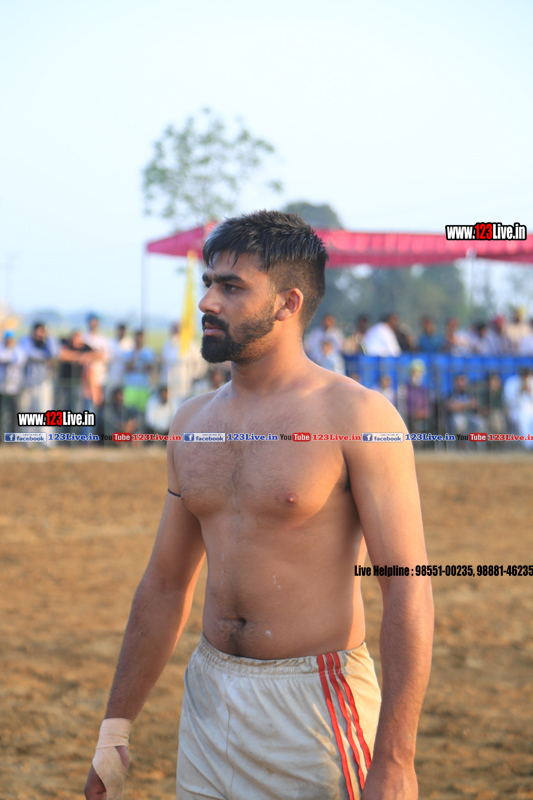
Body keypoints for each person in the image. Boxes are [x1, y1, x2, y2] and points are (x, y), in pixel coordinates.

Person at [85, 211, 433, 800]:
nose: (207, 302)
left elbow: (407, 589)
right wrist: (114, 728)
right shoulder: (191, 422)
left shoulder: (357, 416)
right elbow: (166, 584)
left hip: (315, 706)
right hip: (208, 700)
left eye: (232, 287)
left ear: (287, 303)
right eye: (209, 284)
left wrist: (396, 758)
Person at [19, 322, 59, 442]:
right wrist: (45, 357)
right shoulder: (25, 340)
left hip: (44, 382)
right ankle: (28, 441)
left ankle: (46, 441)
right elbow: (28, 353)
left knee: (45, 411)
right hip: (27, 382)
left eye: (43, 331)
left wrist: (49, 338)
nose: (40, 334)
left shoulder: (48, 342)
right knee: (28, 412)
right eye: (38, 331)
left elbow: (54, 353)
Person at [0, 331, 25, 438]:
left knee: (14, 412)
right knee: (2, 413)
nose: (9, 341)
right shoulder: (2, 348)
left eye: (11, 339)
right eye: (7, 339)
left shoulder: (18, 350)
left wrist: (6, 360)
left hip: (14, 387)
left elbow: (18, 360)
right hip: (1, 388)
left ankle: (13, 435)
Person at [123, 330, 155, 414]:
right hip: (131, 386)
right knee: (129, 410)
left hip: (144, 386)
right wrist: (135, 354)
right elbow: (127, 368)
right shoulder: (129, 353)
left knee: (142, 411)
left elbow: (150, 367)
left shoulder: (148, 352)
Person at [106, 323, 134, 394]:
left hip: (125, 375)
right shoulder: (111, 342)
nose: (122, 332)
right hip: (113, 374)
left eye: (123, 331)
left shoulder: (129, 343)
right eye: (120, 330)